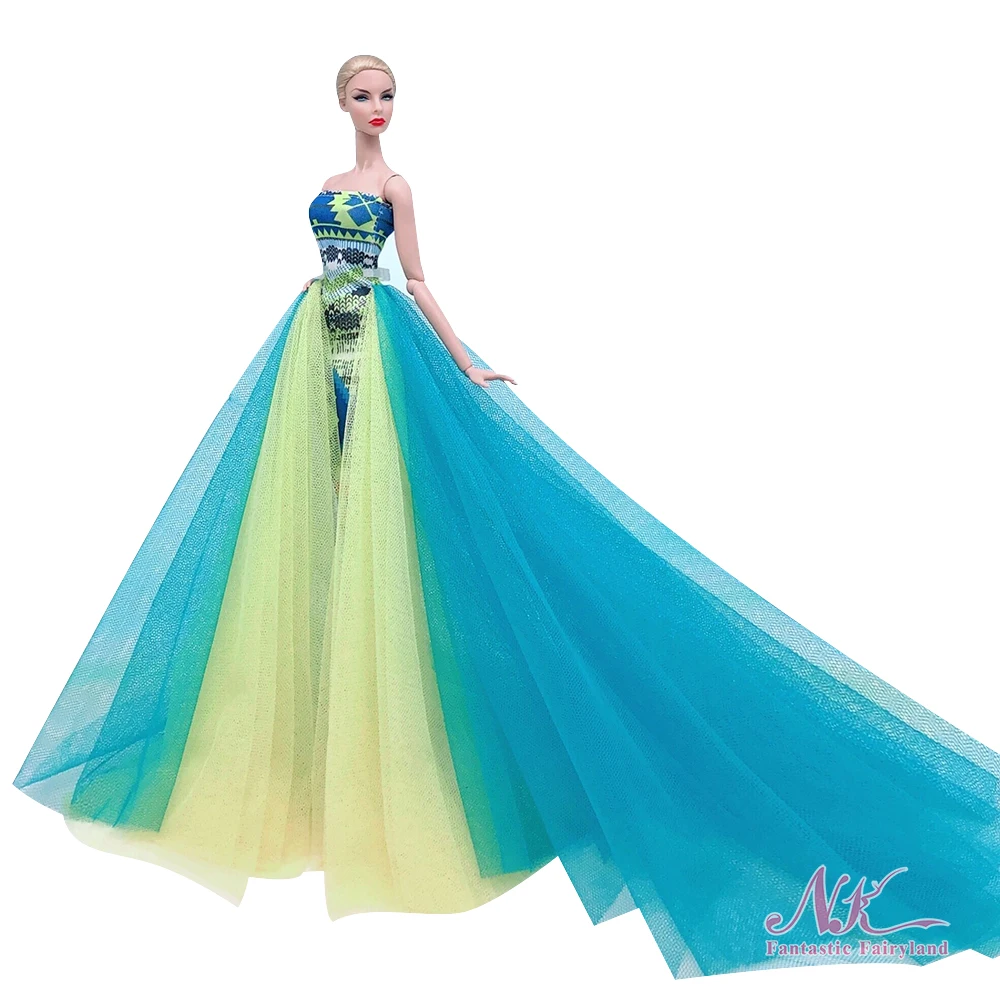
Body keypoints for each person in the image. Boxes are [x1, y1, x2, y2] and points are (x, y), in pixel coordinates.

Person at [12, 53, 1000, 981]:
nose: (379, 109)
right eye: (365, 95)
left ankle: (407, 768)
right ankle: (306, 763)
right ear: (341, 103)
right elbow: (336, 262)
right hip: (313, 346)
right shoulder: (327, 181)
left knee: (391, 540)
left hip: (380, 350)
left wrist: (465, 361)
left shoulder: (397, 187)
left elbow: (418, 277)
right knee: (304, 543)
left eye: (387, 95)